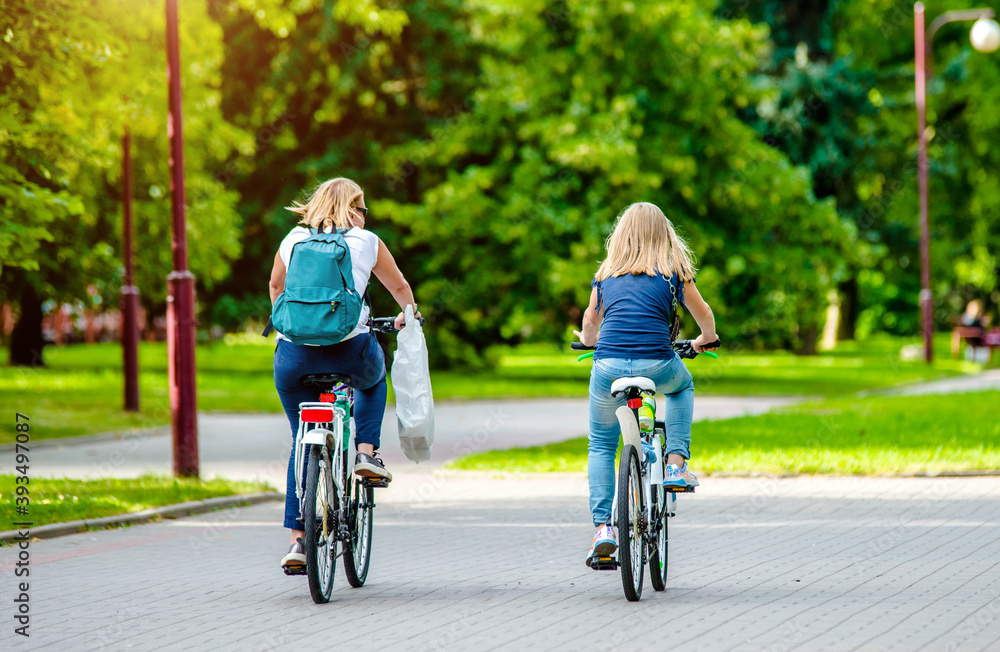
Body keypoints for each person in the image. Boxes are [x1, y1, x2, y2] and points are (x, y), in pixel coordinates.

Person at [269, 177, 420, 571]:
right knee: (373, 380)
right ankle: (366, 454)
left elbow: (275, 287)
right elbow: (399, 286)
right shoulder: (365, 241)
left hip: (293, 356)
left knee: (300, 441)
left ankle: (298, 542)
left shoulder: (293, 239)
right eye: (363, 208)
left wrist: (294, 327)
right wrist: (411, 316)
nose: (364, 216)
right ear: (354, 209)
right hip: (350, 350)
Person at [573, 202, 718, 566]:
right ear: (663, 234)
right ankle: (675, 464)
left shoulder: (606, 274)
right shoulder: (674, 273)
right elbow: (703, 313)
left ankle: (603, 529)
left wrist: (588, 342)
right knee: (682, 387)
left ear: (621, 234)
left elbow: (590, 320)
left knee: (601, 445)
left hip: (607, 366)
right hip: (658, 363)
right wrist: (707, 338)